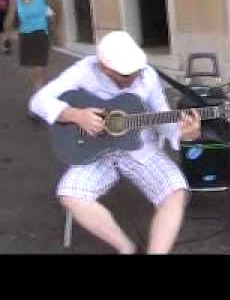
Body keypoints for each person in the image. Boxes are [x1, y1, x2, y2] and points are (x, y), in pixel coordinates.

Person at [29, 31, 201, 254]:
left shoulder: (147, 75)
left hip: (138, 148)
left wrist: (186, 134)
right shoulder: (84, 71)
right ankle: (127, 248)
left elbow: (162, 116)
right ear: (103, 67)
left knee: (176, 192)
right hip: (94, 150)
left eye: (135, 72)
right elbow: (38, 101)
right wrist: (75, 115)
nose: (132, 78)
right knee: (70, 194)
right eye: (124, 75)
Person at [3, 0, 59, 117]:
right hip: (26, 37)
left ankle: (37, 106)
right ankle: (45, 98)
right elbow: (10, 17)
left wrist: (55, 26)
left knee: (38, 72)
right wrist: (6, 33)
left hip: (40, 34)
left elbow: (57, 7)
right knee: (37, 73)